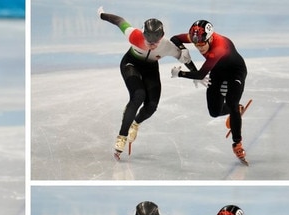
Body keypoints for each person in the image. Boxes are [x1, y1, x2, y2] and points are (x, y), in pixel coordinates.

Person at [97, 7, 207, 160]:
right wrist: (102, 15)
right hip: (131, 64)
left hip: (150, 68)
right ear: (143, 35)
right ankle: (122, 136)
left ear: (161, 38)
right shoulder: (134, 35)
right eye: (149, 42)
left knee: (151, 106)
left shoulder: (167, 46)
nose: (152, 45)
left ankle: (135, 123)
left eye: (156, 43)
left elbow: (185, 59)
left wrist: (197, 74)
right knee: (138, 95)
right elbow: (118, 21)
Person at [170, 21, 249, 164]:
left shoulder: (218, 48)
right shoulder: (197, 37)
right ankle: (237, 110)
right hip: (218, 71)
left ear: (210, 38)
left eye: (201, 44)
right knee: (214, 112)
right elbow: (174, 39)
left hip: (235, 72)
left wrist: (180, 74)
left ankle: (237, 143)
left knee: (231, 103)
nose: (199, 48)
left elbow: (200, 75)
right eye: (196, 44)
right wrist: (183, 49)